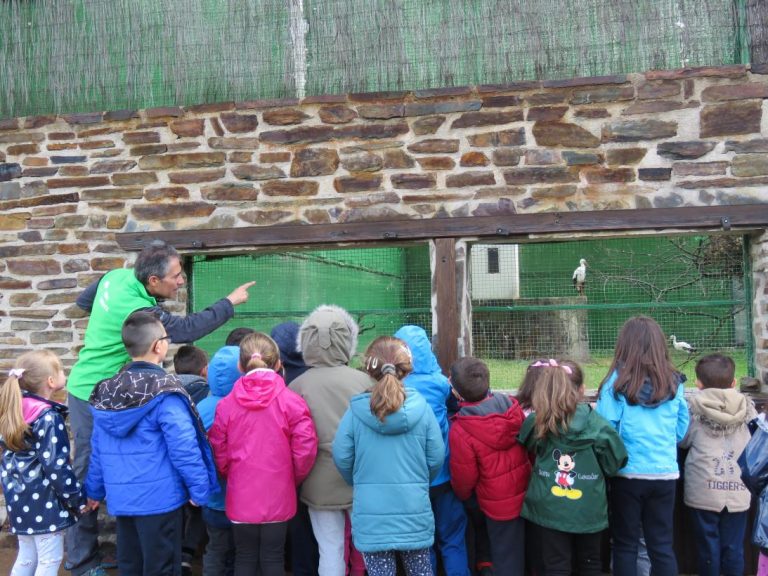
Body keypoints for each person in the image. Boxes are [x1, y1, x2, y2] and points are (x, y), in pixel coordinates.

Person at [65, 240, 254, 576]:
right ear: (153, 281)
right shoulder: (141, 313)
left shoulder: (115, 276)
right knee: (86, 469)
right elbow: (188, 328)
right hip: (90, 390)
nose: (181, 281)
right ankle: (81, 562)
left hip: (108, 386)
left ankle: (122, 553)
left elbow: (83, 302)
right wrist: (229, 302)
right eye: (176, 276)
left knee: (113, 460)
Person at [85, 310, 219, 576]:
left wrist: (94, 490)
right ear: (159, 346)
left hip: (122, 500)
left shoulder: (107, 392)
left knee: (130, 566)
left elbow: (97, 448)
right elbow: (184, 447)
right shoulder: (165, 391)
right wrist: (199, 489)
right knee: (162, 568)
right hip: (160, 500)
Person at [332, 336, 445, 576]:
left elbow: (342, 456)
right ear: (406, 368)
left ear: (369, 368)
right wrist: (419, 480)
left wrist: (359, 481)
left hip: (372, 515)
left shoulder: (355, 412)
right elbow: (436, 457)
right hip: (414, 509)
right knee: (421, 571)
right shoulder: (422, 409)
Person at [209, 332, 318, 576]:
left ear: (240, 366)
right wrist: (291, 478)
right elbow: (305, 448)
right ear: (278, 364)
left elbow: (218, 448)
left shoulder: (226, 405)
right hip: (279, 492)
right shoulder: (292, 402)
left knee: (244, 556)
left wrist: (231, 474)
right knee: (273, 557)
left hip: (241, 492)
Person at [596, 316, 690, 576]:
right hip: (664, 474)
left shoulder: (615, 382)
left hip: (627, 474)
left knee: (625, 543)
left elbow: (605, 429)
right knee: (661, 545)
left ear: (624, 345)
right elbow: (681, 429)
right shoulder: (674, 382)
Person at [519, 359, 627, 576]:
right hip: (589, 509)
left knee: (555, 565)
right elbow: (614, 462)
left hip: (549, 508)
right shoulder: (599, 426)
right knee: (591, 563)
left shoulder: (538, 421)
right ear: (581, 389)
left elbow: (527, 443)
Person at [289, 305, 372, 576]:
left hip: (317, 482)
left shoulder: (296, 386)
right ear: (346, 340)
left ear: (306, 341)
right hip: (361, 478)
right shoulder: (365, 382)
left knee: (329, 549)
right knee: (368, 547)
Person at [0, 351, 86, 576]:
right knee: (49, 559)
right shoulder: (48, 417)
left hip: (19, 499)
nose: (64, 374)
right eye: (61, 370)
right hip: (44, 502)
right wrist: (76, 498)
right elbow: (56, 466)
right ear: (51, 381)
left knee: (27, 557)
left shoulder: (15, 409)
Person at [394, 325, 471, 576]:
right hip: (444, 475)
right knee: (453, 538)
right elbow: (456, 404)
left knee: (422, 543)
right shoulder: (439, 383)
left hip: (411, 478)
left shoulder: (393, 387)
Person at [448, 357, 531, 576]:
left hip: (497, 505)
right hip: (526, 491)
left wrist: (464, 496)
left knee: (505, 558)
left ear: (456, 393)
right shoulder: (512, 407)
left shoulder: (461, 429)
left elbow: (464, 477)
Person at [680, 353, 756, 576]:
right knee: (734, 548)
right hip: (738, 488)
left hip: (703, 489)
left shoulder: (693, 409)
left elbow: (683, 440)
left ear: (698, 383)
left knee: (707, 549)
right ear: (734, 383)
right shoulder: (748, 409)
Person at [270, 321, 318, 576]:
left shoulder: (279, 382)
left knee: (297, 528)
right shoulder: (315, 375)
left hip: (289, 467)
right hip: (319, 463)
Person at [197, 345, 241, 576]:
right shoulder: (244, 406)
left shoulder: (201, 407)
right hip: (242, 498)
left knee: (215, 548)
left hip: (212, 497)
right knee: (241, 552)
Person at [173, 344, 211, 574]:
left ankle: (175, 554)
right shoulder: (207, 393)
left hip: (171, 464)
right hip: (197, 462)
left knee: (177, 508)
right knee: (198, 508)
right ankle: (187, 554)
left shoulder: (165, 390)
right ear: (204, 370)